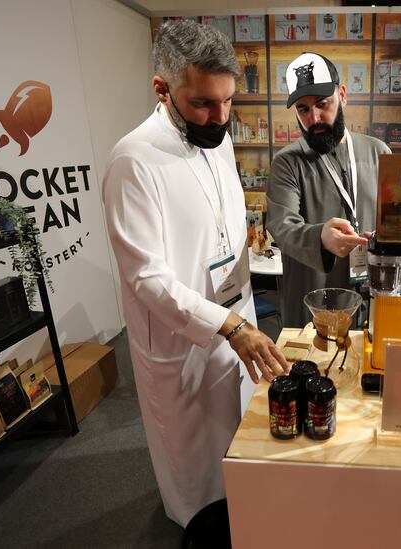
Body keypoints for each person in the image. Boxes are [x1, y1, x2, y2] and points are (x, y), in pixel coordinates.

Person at [101, 20, 288, 528]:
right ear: (162, 89)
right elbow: (146, 279)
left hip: (236, 317)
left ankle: (242, 512)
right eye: (205, 102)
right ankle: (196, 526)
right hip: (181, 339)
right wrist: (226, 326)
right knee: (192, 460)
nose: (220, 116)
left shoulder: (218, 139)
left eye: (229, 102)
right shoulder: (133, 161)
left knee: (239, 433)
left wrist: (239, 318)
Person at [266, 52, 391, 327]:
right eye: (303, 109)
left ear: (343, 95)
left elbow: (393, 218)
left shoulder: (378, 153)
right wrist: (320, 237)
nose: (315, 117)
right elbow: (282, 226)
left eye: (323, 103)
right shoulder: (287, 162)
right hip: (313, 295)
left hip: (370, 290)